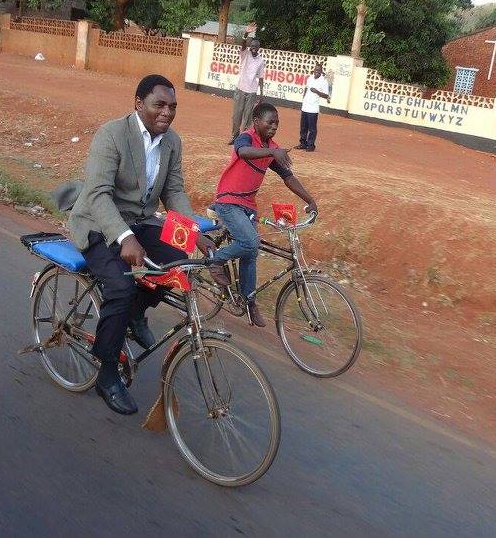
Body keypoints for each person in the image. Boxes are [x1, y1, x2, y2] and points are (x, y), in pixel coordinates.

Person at [67, 74, 212, 416]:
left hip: (141, 221)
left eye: (172, 106)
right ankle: (106, 374)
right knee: (119, 286)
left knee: (178, 263)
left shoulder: (172, 141)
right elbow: (98, 194)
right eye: (159, 104)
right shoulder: (112, 135)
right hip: (99, 224)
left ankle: (134, 314)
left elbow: (173, 191)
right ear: (138, 104)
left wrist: (194, 233)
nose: (167, 112)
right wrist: (123, 236)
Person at [210, 103, 317, 327]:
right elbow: (242, 152)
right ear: (256, 121)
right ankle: (215, 260)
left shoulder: (272, 149)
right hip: (228, 201)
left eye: (277, 123)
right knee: (250, 243)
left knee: (250, 255)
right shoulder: (247, 138)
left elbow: (288, 177)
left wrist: (310, 200)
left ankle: (249, 303)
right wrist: (272, 152)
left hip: (248, 205)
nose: (274, 126)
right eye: (270, 122)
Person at [229, 22, 265, 144]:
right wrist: (246, 33)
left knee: (248, 117)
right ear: (250, 47)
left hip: (252, 91)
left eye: (256, 48)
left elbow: (260, 77)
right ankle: (234, 136)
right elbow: (243, 44)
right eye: (252, 47)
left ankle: (243, 139)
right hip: (240, 88)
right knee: (236, 115)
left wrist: (261, 94)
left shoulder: (261, 61)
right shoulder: (245, 54)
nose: (254, 49)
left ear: (259, 48)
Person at [294, 62, 330, 152]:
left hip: (313, 108)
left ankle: (311, 145)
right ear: (314, 70)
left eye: (319, 70)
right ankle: (302, 143)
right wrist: (304, 96)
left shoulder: (324, 81)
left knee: (312, 129)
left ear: (321, 71)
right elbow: (307, 87)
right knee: (303, 127)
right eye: (316, 70)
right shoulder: (310, 78)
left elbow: (326, 95)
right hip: (305, 106)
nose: (317, 72)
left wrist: (317, 92)